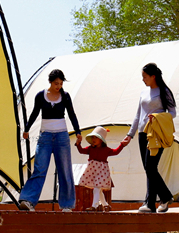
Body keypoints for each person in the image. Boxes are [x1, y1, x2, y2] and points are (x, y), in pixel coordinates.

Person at [18, 69, 81, 212]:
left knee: (65, 170)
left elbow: (71, 114)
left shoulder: (65, 96)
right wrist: (27, 129)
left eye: (61, 83)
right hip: (45, 136)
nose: (58, 86)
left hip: (61, 136)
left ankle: (67, 205)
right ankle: (28, 200)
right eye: (56, 83)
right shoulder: (41, 96)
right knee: (40, 168)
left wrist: (78, 131)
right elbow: (35, 112)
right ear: (50, 82)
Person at [126, 62, 177, 213]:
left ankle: (154, 201)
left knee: (150, 167)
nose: (143, 79)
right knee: (149, 169)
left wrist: (157, 117)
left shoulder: (164, 91)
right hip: (143, 133)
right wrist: (130, 134)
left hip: (156, 133)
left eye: (145, 77)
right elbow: (138, 115)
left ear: (153, 76)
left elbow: (172, 113)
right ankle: (158, 201)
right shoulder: (143, 92)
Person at [75, 126, 131, 211]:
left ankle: (94, 206)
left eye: (96, 137)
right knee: (98, 188)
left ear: (101, 140)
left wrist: (122, 145)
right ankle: (105, 205)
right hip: (92, 171)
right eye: (93, 137)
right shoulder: (90, 148)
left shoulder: (106, 150)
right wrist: (78, 144)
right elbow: (81, 151)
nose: (93, 139)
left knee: (97, 188)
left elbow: (115, 152)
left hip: (101, 172)